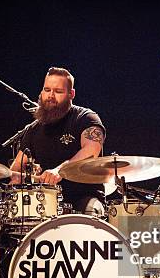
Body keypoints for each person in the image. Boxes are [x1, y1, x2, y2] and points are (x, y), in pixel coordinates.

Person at [9, 67, 106, 215]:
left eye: (58, 91)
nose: (50, 96)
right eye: (47, 90)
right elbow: (17, 167)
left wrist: (59, 171)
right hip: (45, 203)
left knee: (89, 211)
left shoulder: (85, 118)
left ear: (71, 94)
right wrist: (18, 177)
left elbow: (91, 151)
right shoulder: (34, 129)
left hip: (84, 199)